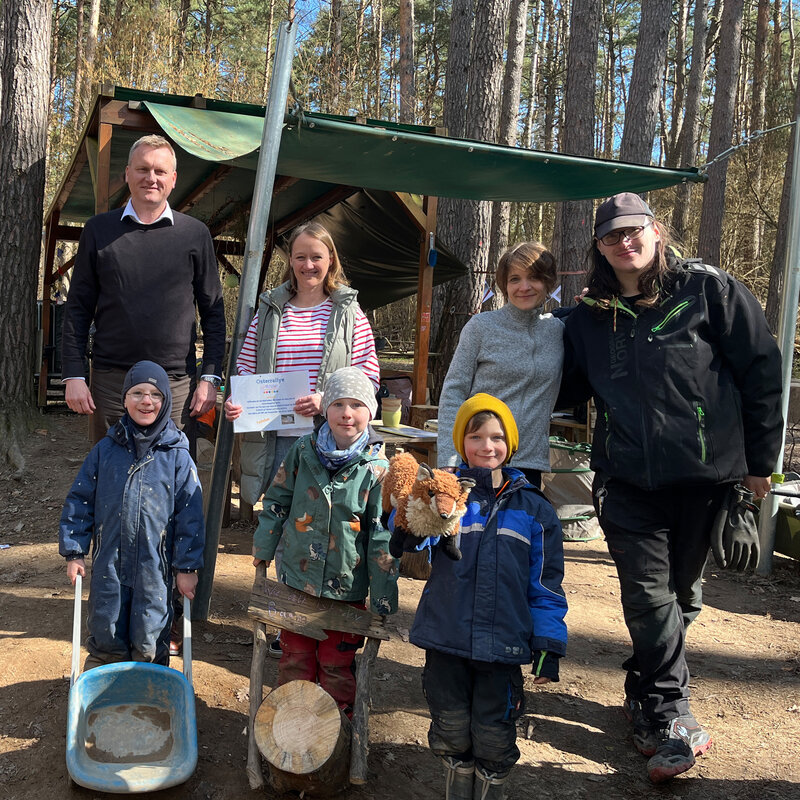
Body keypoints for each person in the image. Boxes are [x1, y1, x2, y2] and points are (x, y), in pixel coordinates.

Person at [559, 192, 783, 783]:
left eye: (633, 232)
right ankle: (668, 716)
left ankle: (643, 687)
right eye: (611, 237)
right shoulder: (587, 317)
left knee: (683, 599)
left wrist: (761, 461)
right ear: (599, 247)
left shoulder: (708, 290)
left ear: (655, 232)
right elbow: (562, 389)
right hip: (626, 480)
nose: (624, 243)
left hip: (706, 477)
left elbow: (761, 368)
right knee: (649, 596)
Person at [225, 221, 380, 656]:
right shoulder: (271, 308)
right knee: (285, 525)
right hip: (278, 439)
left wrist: (327, 397)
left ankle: (328, 623)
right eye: (300, 256)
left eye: (317, 256)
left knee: (329, 526)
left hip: (329, 442)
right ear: (289, 261)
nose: (308, 264)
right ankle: (285, 623)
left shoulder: (348, 311)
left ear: (330, 260)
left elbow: (369, 374)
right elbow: (246, 366)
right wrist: (237, 401)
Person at [404, 393, 567, 799]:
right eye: (476, 436)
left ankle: (491, 786)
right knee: (450, 725)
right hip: (448, 635)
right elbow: (413, 546)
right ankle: (458, 780)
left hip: (504, 643)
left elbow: (546, 584)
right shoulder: (445, 498)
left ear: (510, 444)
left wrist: (548, 643)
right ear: (462, 443)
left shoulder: (534, 509)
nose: (487, 446)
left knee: (494, 732)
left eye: (496, 437)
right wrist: (411, 513)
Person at [61, 134, 226, 450]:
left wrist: (210, 379)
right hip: (111, 382)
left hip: (177, 384)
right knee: (110, 475)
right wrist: (73, 373)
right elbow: (78, 307)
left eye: (160, 171)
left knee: (173, 480)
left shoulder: (195, 234)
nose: (151, 178)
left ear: (173, 179)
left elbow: (213, 312)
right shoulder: (98, 230)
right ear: (127, 174)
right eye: (143, 169)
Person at [251, 367, 398, 717]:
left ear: (370, 412)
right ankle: (289, 722)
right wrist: (263, 551)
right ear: (325, 409)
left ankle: (336, 731)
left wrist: (381, 595)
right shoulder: (304, 451)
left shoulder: (377, 468)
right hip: (297, 582)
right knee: (294, 659)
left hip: (346, 588)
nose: (347, 413)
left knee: (336, 666)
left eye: (357, 405)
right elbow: (276, 502)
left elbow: (380, 534)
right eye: (338, 404)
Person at [59, 361, 205, 668]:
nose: (146, 401)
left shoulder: (178, 456)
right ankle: (103, 694)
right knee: (106, 628)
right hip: (109, 565)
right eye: (137, 392)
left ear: (165, 401)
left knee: (150, 637)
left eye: (155, 394)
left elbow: (190, 515)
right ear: (125, 399)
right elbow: (80, 500)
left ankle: (149, 693)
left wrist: (187, 567)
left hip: (155, 569)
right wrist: (74, 552)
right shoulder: (105, 451)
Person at [436, 242, 563, 488]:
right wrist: (448, 457)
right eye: (515, 279)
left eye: (534, 278)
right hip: (478, 460)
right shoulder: (481, 327)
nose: (524, 287)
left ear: (547, 282)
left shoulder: (557, 330)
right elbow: (454, 392)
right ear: (505, 285)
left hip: (530, 465)